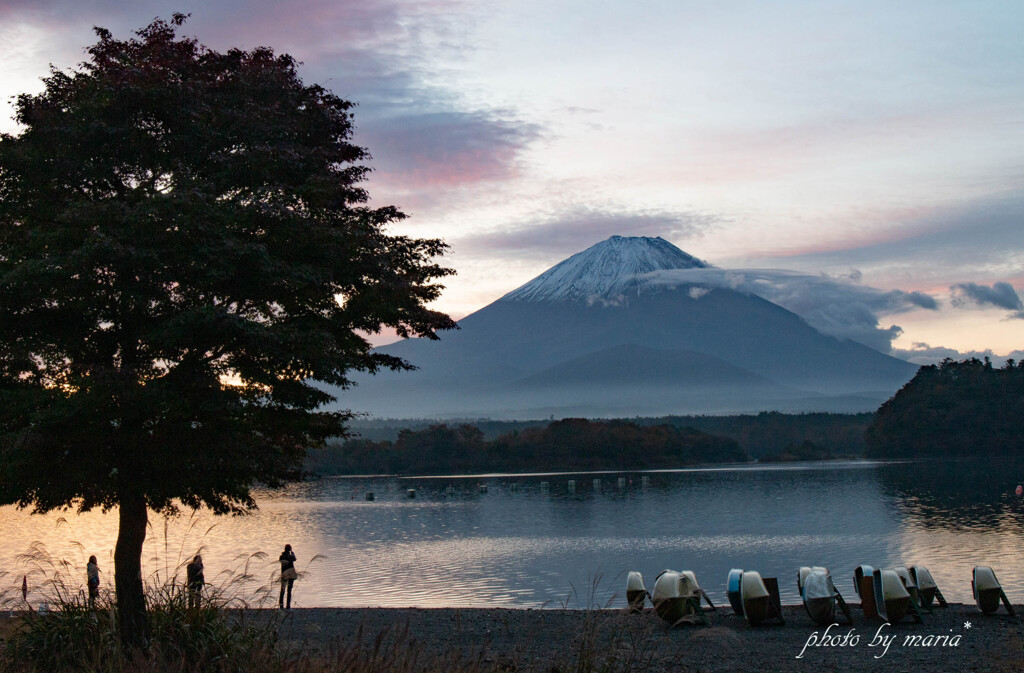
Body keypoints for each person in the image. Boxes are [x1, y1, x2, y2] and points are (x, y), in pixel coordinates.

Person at [279, 544, 297, 609]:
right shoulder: (291, 556)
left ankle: (281, 605)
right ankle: (288, 606)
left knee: (282, 590)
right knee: (289, 590)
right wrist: (292, 553)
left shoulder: (281, 556)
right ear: (290, 549)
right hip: (290, 574)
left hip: (284, 574)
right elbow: (295, 559)